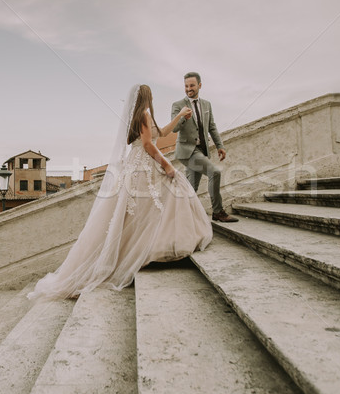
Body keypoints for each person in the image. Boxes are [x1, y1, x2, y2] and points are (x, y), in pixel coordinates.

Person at [28, 84, 212, 301]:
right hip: (143, 166)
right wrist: (166, 165)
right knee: (164, 200)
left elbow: (160, 133)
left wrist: (180, 116)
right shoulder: (143, 114)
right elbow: (147, 144)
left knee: (150, 207)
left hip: (136, 164)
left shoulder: (141, 116)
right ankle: (151, 250)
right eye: (150, 94)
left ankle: (154, 248)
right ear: (146, 97)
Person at [171, 72, 238, 222]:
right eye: (186, 86)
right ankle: (218, 211)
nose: (189, 89)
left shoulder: (206, 104)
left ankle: (180, 219)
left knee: (191, 189)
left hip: (202, 150)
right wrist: (182, 118)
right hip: (187, 151)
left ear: (200, 85)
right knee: (214, 172)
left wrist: (220, 146)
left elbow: (212, 127)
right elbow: (174, 129)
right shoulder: (178, 105)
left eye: (192, 85)